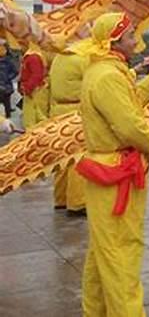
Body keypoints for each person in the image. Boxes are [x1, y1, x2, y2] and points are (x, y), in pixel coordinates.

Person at [74, 12, 149, 317]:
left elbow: (130, 103)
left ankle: (96, 311)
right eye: (129, 36)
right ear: (114, 41)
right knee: (122, 254)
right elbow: (129, 126)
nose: (135, 40)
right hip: (116, 173)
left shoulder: (105, 72)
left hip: (110, 170)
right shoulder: (109, 77)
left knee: (103, 251)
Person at [49, 39, 92, 215]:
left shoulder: (58, 58)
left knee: (62, 158)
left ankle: (61, 199)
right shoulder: (82, 59)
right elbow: (95, 81)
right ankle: (77, 202)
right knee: (78, 158)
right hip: (76, 111)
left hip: (58, 109)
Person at [19, 43, 49, 129]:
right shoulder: (32, 57)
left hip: (34, 91)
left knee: (31, 117)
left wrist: (27, 88)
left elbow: (37, 75)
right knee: (36, 114)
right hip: (34, 89)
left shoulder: (33, 58)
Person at [0, 44, 17, 118]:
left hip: (6, 86)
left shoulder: (9, 61)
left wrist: (8, 78)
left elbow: (15, 71)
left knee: (7, 102)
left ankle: (8, 117)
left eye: (3, 50)